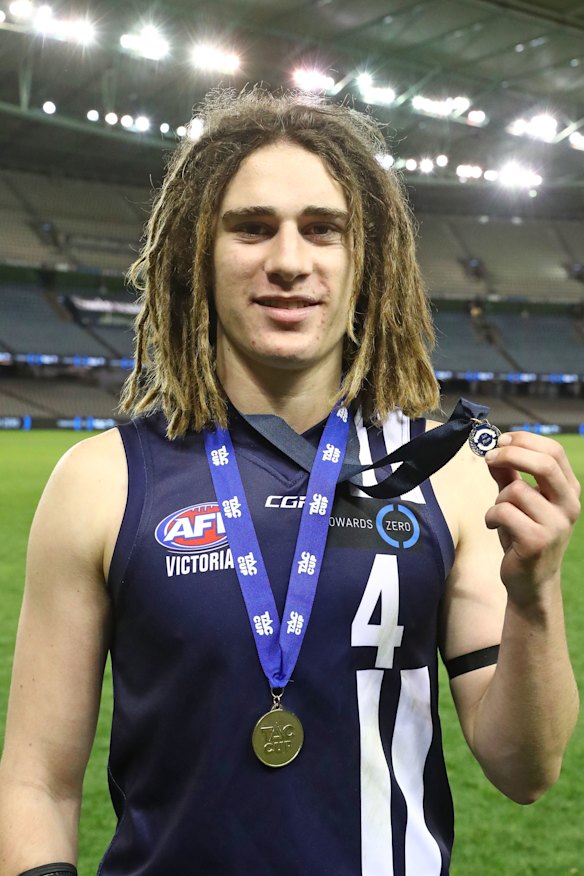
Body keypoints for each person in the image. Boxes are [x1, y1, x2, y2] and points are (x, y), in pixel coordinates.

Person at [0, 88, 580, 876]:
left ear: (363, 258)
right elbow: (37, 784)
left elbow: (524, 770)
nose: (288, 260)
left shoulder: (450, 481)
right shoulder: (101, 481)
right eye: (251, 227)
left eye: (323, 229)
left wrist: (536, 595)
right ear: (198, 253)